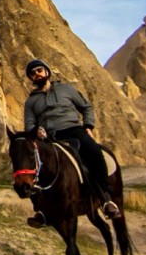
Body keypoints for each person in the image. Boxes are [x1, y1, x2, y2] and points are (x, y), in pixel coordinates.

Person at [23, 59, 122, 223]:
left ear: (46, 72)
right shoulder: (31, 102)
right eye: (32, 73)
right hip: (49, 136)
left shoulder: (66, 89)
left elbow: (86, 107)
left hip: (73, 130)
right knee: (32, 164)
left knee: (94, 152)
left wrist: (88, 125)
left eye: (39, 70)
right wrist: (36, 131)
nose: (36, 74)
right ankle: (41, 210)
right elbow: (30, 123)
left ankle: (105, 199)